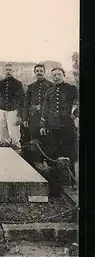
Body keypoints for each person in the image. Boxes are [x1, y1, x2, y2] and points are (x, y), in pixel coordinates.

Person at [39, 67, 79, 196]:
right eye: (54, 75)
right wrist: (43, 125)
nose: (56, 77)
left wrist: (75, 114)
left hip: (67, 127)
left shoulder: (71, 89)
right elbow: (45, 109)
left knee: (69, 153)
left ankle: (71, 182)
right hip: (52, 127)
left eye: (58, 74)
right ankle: (55, 186)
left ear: (64, 75)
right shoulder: (49, 91)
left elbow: (79, 102)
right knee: (53, 154)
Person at [22, 64, 53, 163]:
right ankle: (37, 163)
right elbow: (26, 104)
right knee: (35, 140)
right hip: (34, 119)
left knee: (47, 140)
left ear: (44, 72)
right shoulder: (31, 87)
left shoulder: (51, 85)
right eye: (37, 71)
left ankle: (47, 163)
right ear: (34, 72)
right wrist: (25, 119)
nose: (39, 73)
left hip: (47, 118)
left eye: (41, 71)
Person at [0, 63, 25, 152]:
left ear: (13, 71)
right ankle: (4, 153)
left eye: (10, 70)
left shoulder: (18, 84)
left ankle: (17, 154)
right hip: (1, 110)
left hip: (13, 111)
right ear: (4, 71)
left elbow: (22, 100)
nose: (8, 72)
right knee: (2, 134)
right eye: (6, 70)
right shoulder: (0, 83)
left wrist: (19, 115)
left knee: (14, 134)